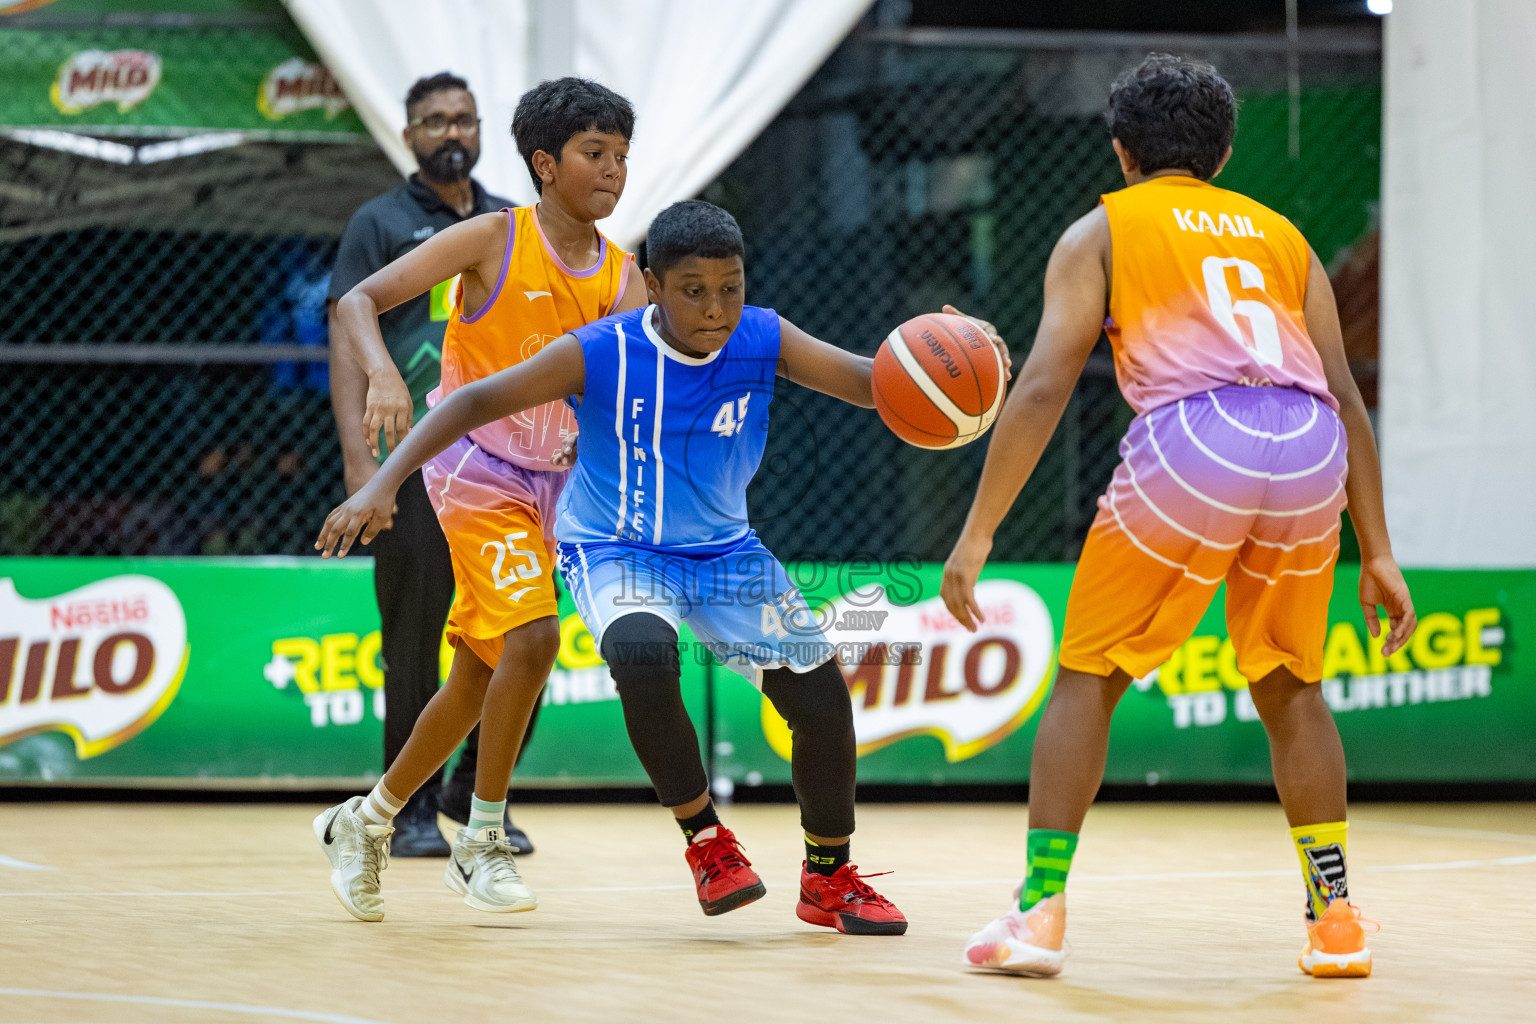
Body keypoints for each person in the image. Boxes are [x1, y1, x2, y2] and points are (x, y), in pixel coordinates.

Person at [316, 199, 1010, 935]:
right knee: (645, 660)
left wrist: (974, 357)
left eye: (730, 287)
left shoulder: (763, 337)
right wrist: (380, 482)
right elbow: (476, 400)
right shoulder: (600, 349)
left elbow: (877, 383)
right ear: (653, 286)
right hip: (614, 548)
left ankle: (829, 877)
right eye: (693, 291)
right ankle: (707, 841)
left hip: (726, 552)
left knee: (823, 703)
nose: (716, 308)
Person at [941, 53, 1417, 979]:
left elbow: (1040, 388)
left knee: (1087, 676)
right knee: (1290, 686)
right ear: (1226, 151)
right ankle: (1336, 918)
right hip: (1312, 443)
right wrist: (1381, 551)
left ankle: (1039, 912)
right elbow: (1349, 399)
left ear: (1120, 151)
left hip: (1199, 437)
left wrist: (978, 532)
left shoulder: (1101, 231)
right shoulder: (1282, 237)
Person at [314, 76, 647, 921]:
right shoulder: (492, 238)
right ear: (545, 164)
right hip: (471, 467)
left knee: (476, 675)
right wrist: (384, 373)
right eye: (593, 155)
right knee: (532, 641)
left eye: (621, 157)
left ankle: (370, 818)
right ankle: (482, 839)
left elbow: (635, 390)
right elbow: (357, 301)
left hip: (557, 484)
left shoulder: (622, 274)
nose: (612, 172)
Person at [326, 71, 534, 858]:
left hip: (507, 467)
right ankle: (406, 810)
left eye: (464, 119)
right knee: (414, 644)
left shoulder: (510, 223)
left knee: (519, 632)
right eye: (434, 121)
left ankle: (477, 792)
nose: (452, 131)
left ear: (481, 130)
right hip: (411, 466)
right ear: (408, 134)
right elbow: (349, 342)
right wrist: (360, 465)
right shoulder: (378, 223)